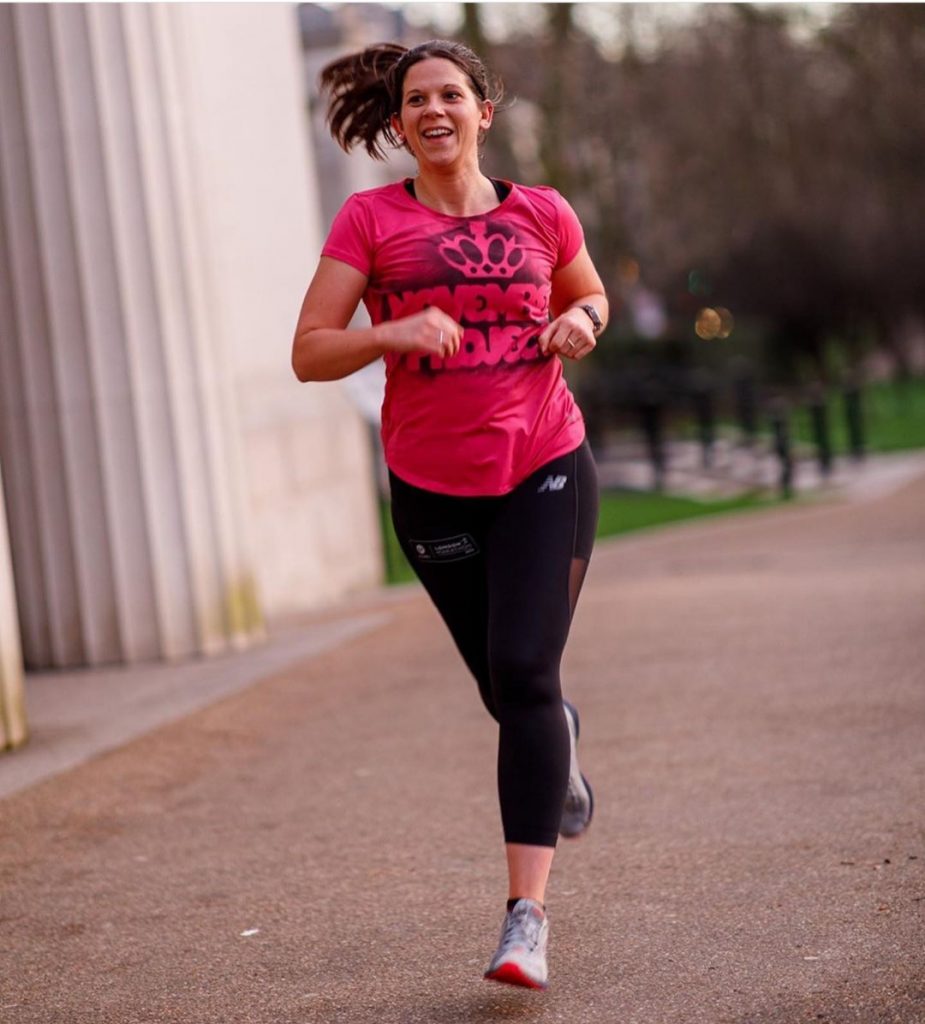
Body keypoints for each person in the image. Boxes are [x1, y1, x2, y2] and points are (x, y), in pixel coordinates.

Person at [292, 39, 608, 991]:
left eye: (451, 95)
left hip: (545, 460)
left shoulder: (543, 212)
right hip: (431, 483)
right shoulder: (369, 220)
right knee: (506, 691)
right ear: (397, 125)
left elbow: (588, 293)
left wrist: (579, 324)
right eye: (415, 100)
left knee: (522, 669)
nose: (434, 110)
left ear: (483, 110)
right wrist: (391, 330)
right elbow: (310, 350)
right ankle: (560, 738)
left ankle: (526, 920)